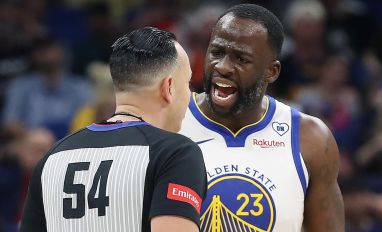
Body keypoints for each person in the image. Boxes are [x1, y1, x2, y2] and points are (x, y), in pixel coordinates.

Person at [20, 27, 207, 232]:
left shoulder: (52, 157)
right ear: (168, 87)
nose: (191, 96)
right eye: (187, 83)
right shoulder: (176, 153)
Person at [179, 4, 344, 231]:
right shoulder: (167, 122)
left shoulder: (311, 139)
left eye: (240, 59)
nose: (223, 67)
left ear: (272, 71)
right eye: (217, 53)